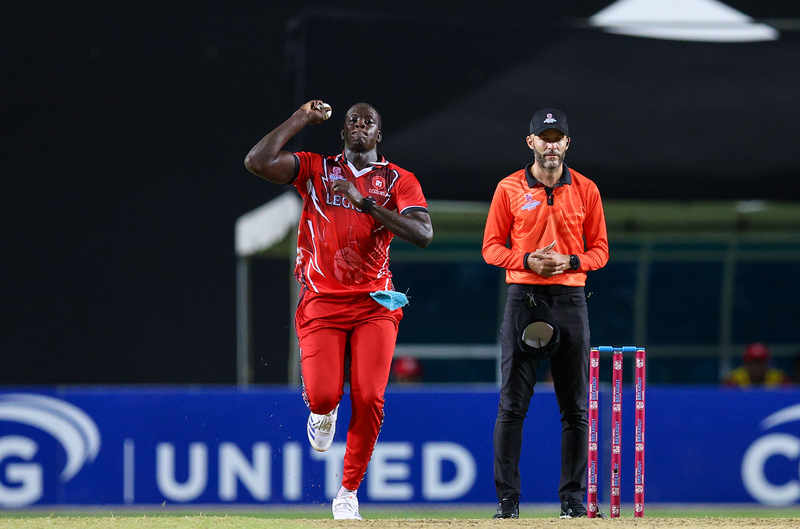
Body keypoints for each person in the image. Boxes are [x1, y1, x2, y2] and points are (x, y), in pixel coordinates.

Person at [244, 100, 433, 519]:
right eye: (352, 121)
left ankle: (347, 493)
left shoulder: (397, 179)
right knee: (325, 394)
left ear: (379, 134)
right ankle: (322, 410)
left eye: (368, 121)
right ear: (342, 132)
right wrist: (300, 118)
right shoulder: (316, 168)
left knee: (370, 397)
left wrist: (366, 204)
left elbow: (423, 233)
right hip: (322, 300)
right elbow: (257, 162)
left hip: (374, 303)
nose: (359, 125)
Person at [482, 108, 609, 519]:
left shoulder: (587, 189)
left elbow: (601, 251)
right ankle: (508, 503)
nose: (550, 145)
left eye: (557, 138)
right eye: (544, 137)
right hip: (524, 298)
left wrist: (570, 261)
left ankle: (573, 502)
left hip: (570, 299)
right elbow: (490, 248)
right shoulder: (508, 188)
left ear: (567, 143)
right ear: (531, 142)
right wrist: (526, 261)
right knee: (512, 405)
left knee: (575, 408)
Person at [723, 342, 791, 388]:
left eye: (760, 364)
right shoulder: (734, 380)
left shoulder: (779, 379)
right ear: (745, 364)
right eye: (752, 364)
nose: (756, 368)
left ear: (767, 364)